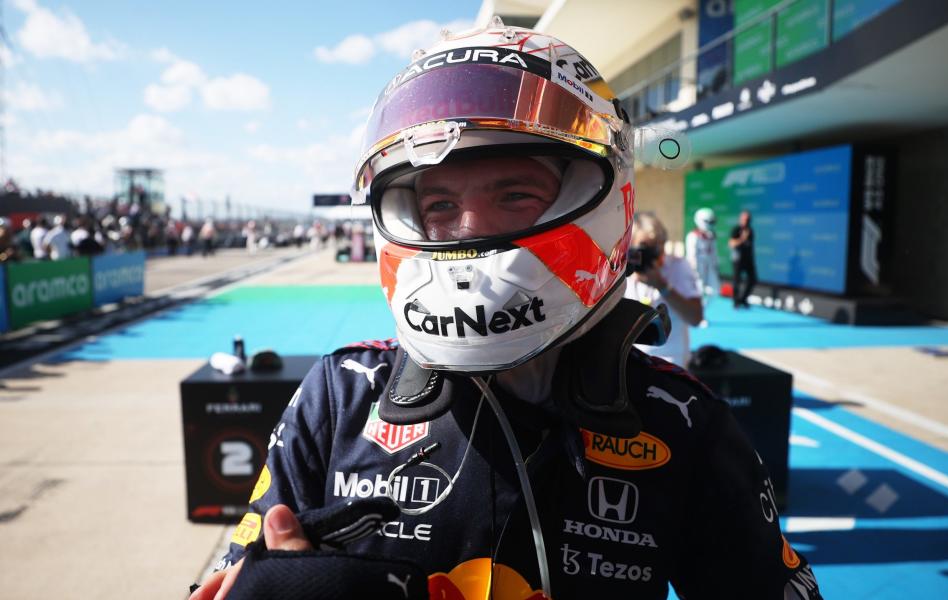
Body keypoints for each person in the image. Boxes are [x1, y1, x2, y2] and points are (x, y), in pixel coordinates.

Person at [191, 22, 821, 600]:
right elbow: (230, 580)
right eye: (437, 205)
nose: (468, 228)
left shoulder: (680, 421)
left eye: (514, 194)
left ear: (605, 201)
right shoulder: (341, 395)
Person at [626, 212, 703, 367]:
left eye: (657, 247)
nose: (653, 256)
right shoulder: (622, 271)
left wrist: (662, 286)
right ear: (630, 246)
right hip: (631, 359)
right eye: (644, 249)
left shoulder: (678, 266)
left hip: (670, 361)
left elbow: (695, 318)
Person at [685, 207, 720, 309]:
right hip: (698, 267)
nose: (710, 224)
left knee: (715, 291)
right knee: (699, 291)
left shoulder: (711, 236)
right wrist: (694, 270)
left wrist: (715, 265)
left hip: (709, 266)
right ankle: (698, 312)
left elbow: (713, 252)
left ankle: (701, 309)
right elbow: (691, 254)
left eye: (712, 221)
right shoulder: (693, 236)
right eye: (708, 221)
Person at [729, 210, 757, 308]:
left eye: (748, 219)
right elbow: (731, 244)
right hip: (738, 259)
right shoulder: (736, 229)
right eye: (744, 219)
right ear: (741, 219)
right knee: (737, 280)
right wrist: (742, 239)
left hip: (748, 259)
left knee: (753, 279)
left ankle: (743, 299)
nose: (746, 221)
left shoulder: (751, 230)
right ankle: (736, 302)